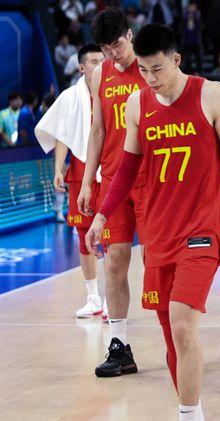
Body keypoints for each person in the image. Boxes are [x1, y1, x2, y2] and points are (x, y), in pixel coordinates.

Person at [86, 24, 220, 421]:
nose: (150, 78)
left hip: (201, 230)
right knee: (170, 335)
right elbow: (126, 171)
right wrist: (101, 215)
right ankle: (192, 410)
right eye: (144, 70)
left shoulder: (212, 95)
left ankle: (187, 415)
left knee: (182, 324)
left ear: (176, 60)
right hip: (158, 231)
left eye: (157, 69)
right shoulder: (137, 104)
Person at [78, 7, 149, 377]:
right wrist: (87, 179)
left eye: (117, 45)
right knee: (116, 262)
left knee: (157, 261)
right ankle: (119, 346)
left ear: (130, 35)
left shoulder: (151, 66)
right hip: (113, 180)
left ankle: (177, 335)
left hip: (151, 178)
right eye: (106, 49)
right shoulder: (100, 74)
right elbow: (98, 130)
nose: (113, 54)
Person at [35, 44, 106, 319]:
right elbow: (62, 135)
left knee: (113, 237)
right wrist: (58, 169)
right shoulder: (69, 97)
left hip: (109, 170)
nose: (99, 65)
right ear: (81, 67)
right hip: (79, 172)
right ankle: (93, 299)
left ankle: (112, 299)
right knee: (84, 236)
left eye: (102, 60)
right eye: (94, 61)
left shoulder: (113, 91)